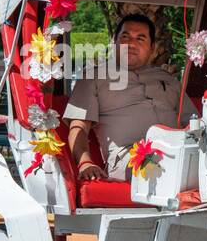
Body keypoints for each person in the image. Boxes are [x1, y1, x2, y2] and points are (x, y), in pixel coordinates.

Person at [64, 14, 194, 181]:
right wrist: (85, 163)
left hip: (176, 149)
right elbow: (79, 127)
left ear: (152, 48)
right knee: (160, 167)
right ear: (114, 42)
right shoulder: (94, 78)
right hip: (130, 156)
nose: (131, 44)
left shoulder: (168, 79)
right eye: (125, 37)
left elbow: (193, 122)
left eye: (140, 38)